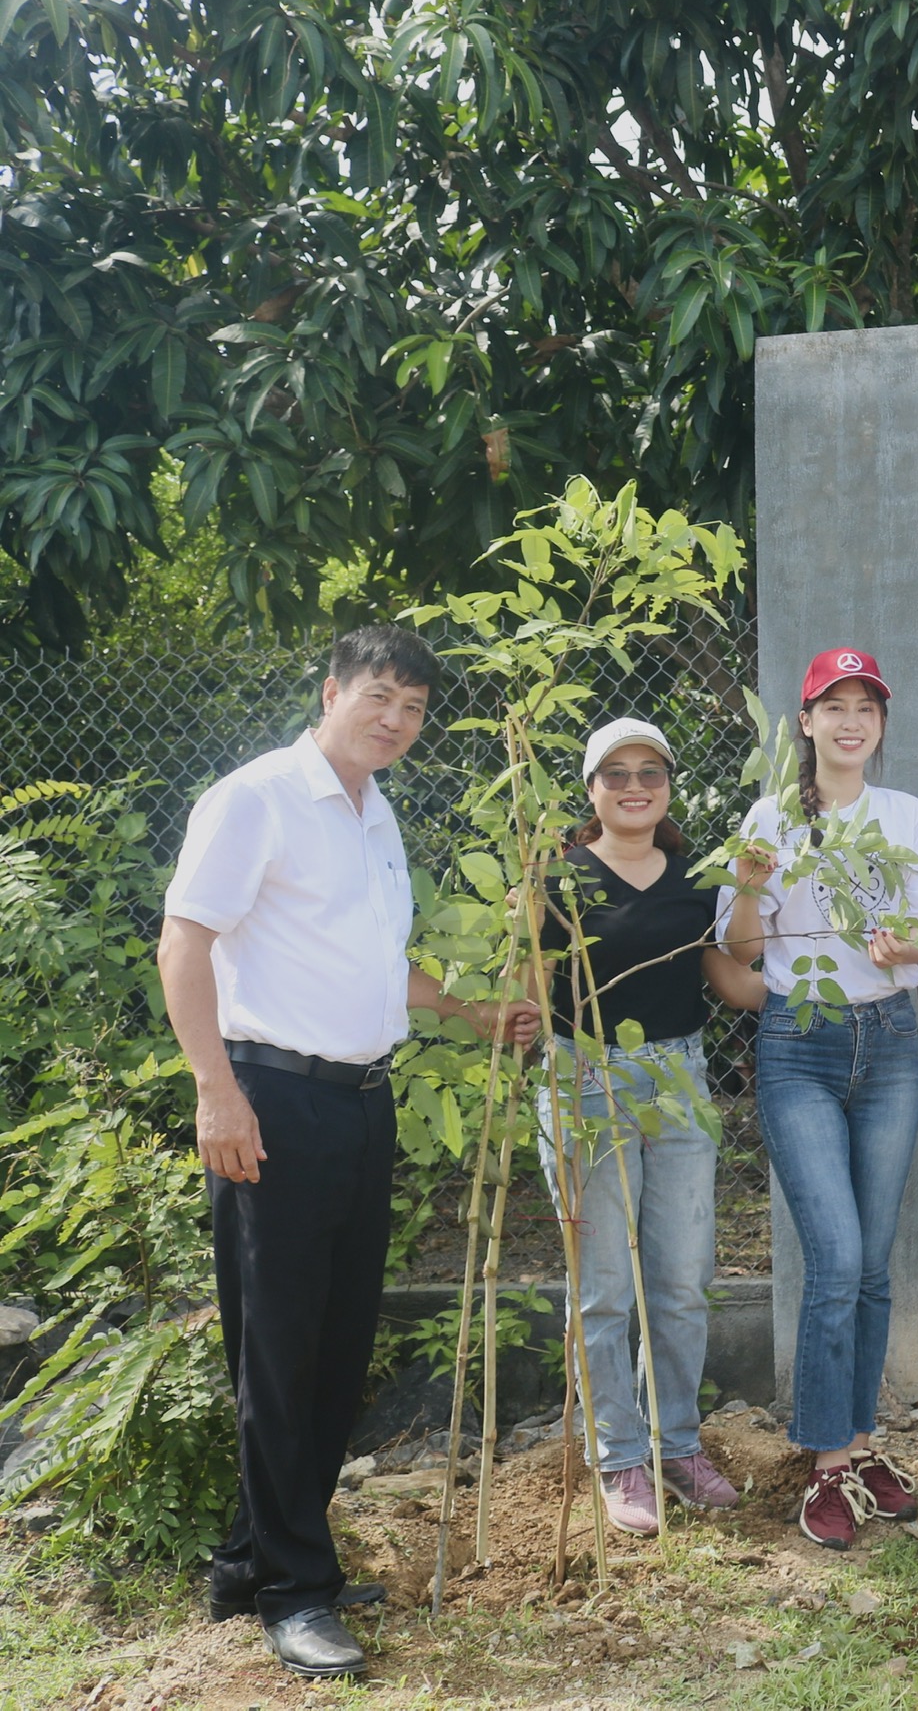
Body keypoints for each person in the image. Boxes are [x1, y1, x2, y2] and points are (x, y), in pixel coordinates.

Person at [160, 625, 537, 1680]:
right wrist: (216, 1092)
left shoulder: (376, 815)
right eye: (380, 696)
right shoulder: (258, 797)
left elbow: (374, 960)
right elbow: (183, 941)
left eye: (413, 708)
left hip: (361, 1106)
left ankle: (255, 1558)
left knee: (333, 1342)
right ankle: (295, 1590)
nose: (396, 720)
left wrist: (467, 1007)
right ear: (329, 690)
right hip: (271, 1097)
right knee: (279, 1351)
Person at [721, 649, 918, 1546]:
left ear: (881, 726)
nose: (852, 721)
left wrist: (911, 947)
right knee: (835, 1256)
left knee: (871, 1264)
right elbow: (743, 949)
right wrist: (747, 885)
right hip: (800, 1043)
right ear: (806, 722)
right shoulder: (772, 816)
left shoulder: (904, 816)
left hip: (890, 1044)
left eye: (868, 707)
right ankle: (826, 1466)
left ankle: (859, 1448)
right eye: (835, 705)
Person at [538, 717, 768, 1535]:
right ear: (591, 789)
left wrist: (752, 889)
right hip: (583, 1078)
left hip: (677, 1079)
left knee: (680, 1277)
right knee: (603, 1286)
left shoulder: (694, 882)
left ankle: (676, 1444)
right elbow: (527, 992)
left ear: (667, 784)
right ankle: (618, 1459)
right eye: (616, 774)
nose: (634, 786)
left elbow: (740, 981)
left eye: (650, 772)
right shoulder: (555, 879)